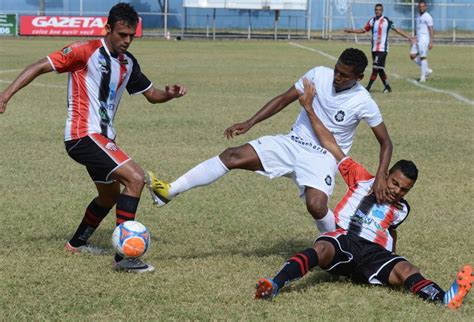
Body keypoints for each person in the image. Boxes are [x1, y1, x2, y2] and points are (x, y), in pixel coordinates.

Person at [254, 79, 473, 310]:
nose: (396, 191)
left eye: (404, 189)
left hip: (374, 254)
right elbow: (330, 143)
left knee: (407, 269)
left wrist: (392, 257)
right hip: (345, 240)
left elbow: (391, 230)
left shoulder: (402, 209)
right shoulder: (362, 178)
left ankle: (445, 299)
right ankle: (275, 284)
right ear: (386, 174)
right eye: (395, 183)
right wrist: (309, 108)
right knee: (321, 248)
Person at [0, 3, 186, 273]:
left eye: (132, 35)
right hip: (82, 135)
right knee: (135, 177)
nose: (127, 40)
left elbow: (151, 95)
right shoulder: (84, 51)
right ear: (108, 28)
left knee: (108, 196)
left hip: (101, 137)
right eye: (122, 34)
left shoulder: (128, 63)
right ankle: (125, 258)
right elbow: (40, 65)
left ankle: (76, 243)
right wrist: (6, 95)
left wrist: (168, 93)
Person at [147, 48, 393, 234]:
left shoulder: (363, 101)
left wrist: (380, 176)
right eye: (336, 70)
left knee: (316, 206)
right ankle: (170, 190)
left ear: (359, 77)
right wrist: (251, 122)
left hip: (323, 156)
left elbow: (386, 143)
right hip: (292, 142)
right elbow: (283, 99)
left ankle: (339, 245)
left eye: (344, 75)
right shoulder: (318, 74)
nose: (337, 77)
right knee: (232, 155)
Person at [344, 3, 414, 93]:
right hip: (374, 49)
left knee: (375, 67)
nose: (377, 11)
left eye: (379, 10)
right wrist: (351, 31)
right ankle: (387, 87)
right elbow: (363, 30)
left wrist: (408, 37)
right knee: (380, 69)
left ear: (382, 11)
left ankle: (368, 88)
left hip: (382, 49)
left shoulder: (386, 21)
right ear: (374, 11)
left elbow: (397, 30)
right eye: (376, 10)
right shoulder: (372, 21)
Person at [410, 0, 434, 82]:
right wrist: (415, 37)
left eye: (423, 6)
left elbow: (431, 29)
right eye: (420, 6)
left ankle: (423, 77)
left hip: (424, 39)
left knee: (423, 57)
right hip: (418, 39)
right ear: (418, 7)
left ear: (426, 7)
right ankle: (426, 69)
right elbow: (418, 27)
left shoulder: (428, 17)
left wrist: (431, 41)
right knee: (412, 55)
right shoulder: (417, 15)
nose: (421, 8)